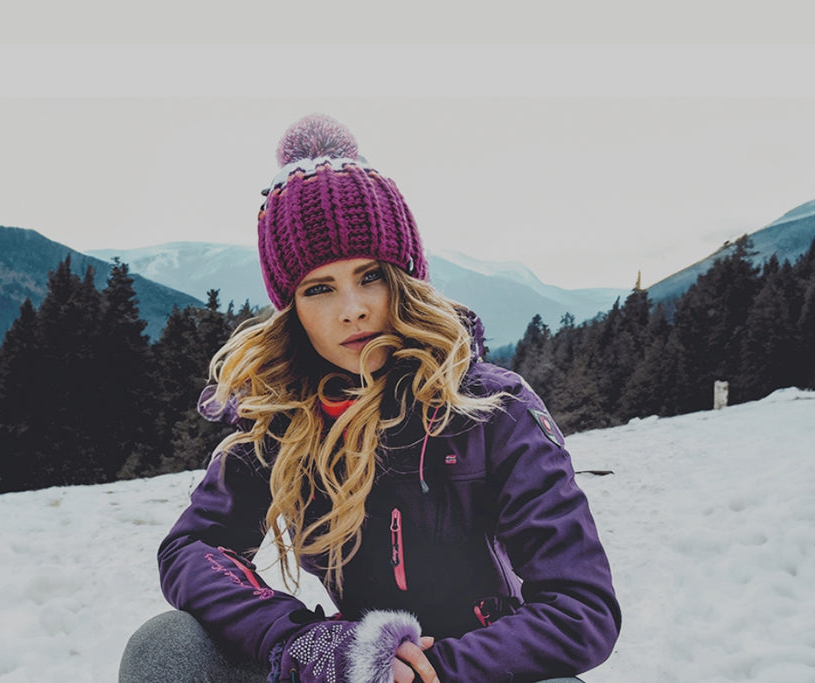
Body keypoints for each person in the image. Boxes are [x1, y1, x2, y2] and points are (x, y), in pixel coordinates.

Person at [119, 114, 621, 683]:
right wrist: (302, 642)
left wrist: (424, 672)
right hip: (346, 670)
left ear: (404, 281)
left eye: (370, 276)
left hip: (473, 670)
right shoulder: (286, 419)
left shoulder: (492, 408)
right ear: (292, 309)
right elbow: (192, 547)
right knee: (166, 646)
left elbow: (581, 609)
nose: (352, 309)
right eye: (319, 288)